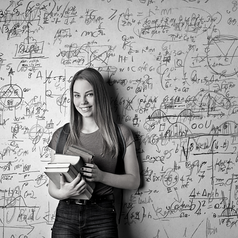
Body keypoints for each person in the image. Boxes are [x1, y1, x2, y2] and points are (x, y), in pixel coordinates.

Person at [48, 67, 140, 238]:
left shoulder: (121, 134)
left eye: (89, 94)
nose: (82, 101)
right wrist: (65, 193)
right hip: (66, 214)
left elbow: (134, 181)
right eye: (77, 95)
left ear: (100, 95)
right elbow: (53, 187)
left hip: (102, 215)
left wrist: (101, 176)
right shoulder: (61, 135)